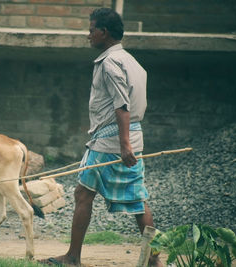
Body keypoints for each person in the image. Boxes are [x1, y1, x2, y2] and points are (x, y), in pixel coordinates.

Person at [40, 8, 162, 267]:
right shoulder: (133, 62)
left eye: (91, 29)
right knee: (137, 198)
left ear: (103, 32)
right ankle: (154, 261)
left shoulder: (110, 62)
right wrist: (128, 143)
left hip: (111, 140)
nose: (88, 35)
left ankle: (73, 257)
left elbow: (122, 105)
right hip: (131, 137)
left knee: (84, 195)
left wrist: (124, 144)